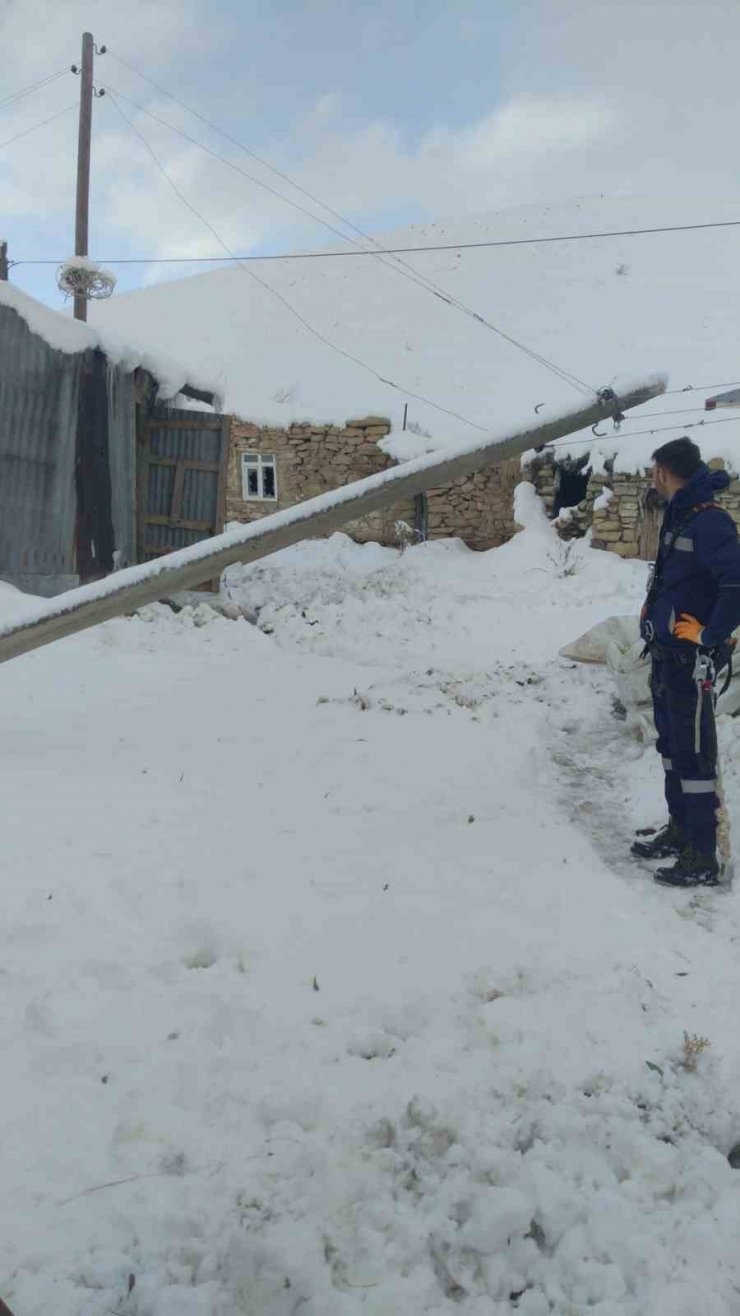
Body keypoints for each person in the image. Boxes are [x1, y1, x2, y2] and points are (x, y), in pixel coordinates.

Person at [631, 437, 740, 887]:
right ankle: (680, 830)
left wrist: (709, 635)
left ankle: (702, 856)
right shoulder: (681, 514)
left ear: (663, 471)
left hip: (691, 661)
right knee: (673, 751)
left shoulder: (711, 522)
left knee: (694, 758)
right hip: (666, 658)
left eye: (654, 471)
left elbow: (736, 585)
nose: (652, 479)